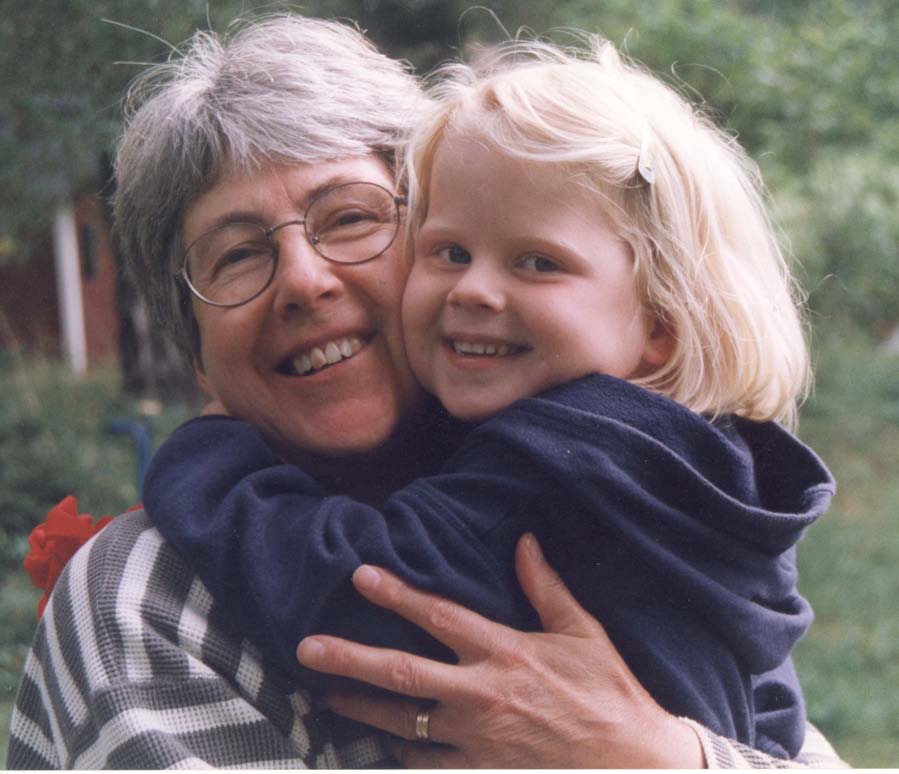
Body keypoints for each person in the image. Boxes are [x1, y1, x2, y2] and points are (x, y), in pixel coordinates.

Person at [5, 15, 844, 769]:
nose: (303, 280)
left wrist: (657, 756)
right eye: (237, 255)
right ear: (196, 353)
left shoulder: (566, 467)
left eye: (350, 217)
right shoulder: (150, 601)